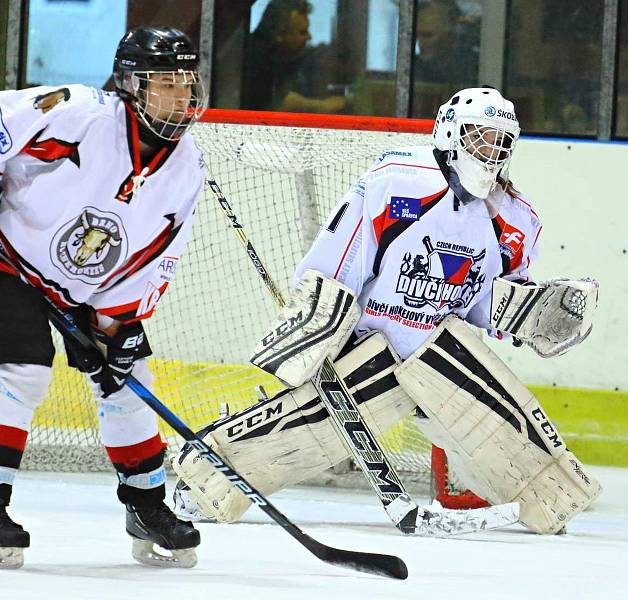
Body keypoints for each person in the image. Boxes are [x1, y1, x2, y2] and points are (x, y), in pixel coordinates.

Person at [172, 87, 602, 535]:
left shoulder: (516, 218)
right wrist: (317, 335)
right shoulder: (397, 180)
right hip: (369, 349)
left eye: (500, 141)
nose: (490, 151)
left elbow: (492, 307)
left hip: (442, 356)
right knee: (306, 429)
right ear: (451, 133)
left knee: (530, 460)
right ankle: (203, 482)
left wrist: (536, 316)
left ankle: (547, 499)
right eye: (479, 136)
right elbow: (338, 262)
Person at [0, 26, 208, 569]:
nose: (182, 96)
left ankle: (146, 504)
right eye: (166, 83)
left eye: (187, 84)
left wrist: (119, 325)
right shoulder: (78, 111)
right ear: (131, 84)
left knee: (128, 379)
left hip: (85, 283)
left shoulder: (187, 168)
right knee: (22, 371)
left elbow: (155, 254)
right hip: (2, 252)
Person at [241, 0, 347, 113]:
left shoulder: (281, 58)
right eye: (302, 32)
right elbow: (276, 103)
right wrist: (323, 106)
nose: (309, 37)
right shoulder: (255, 59)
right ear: (279, 34)